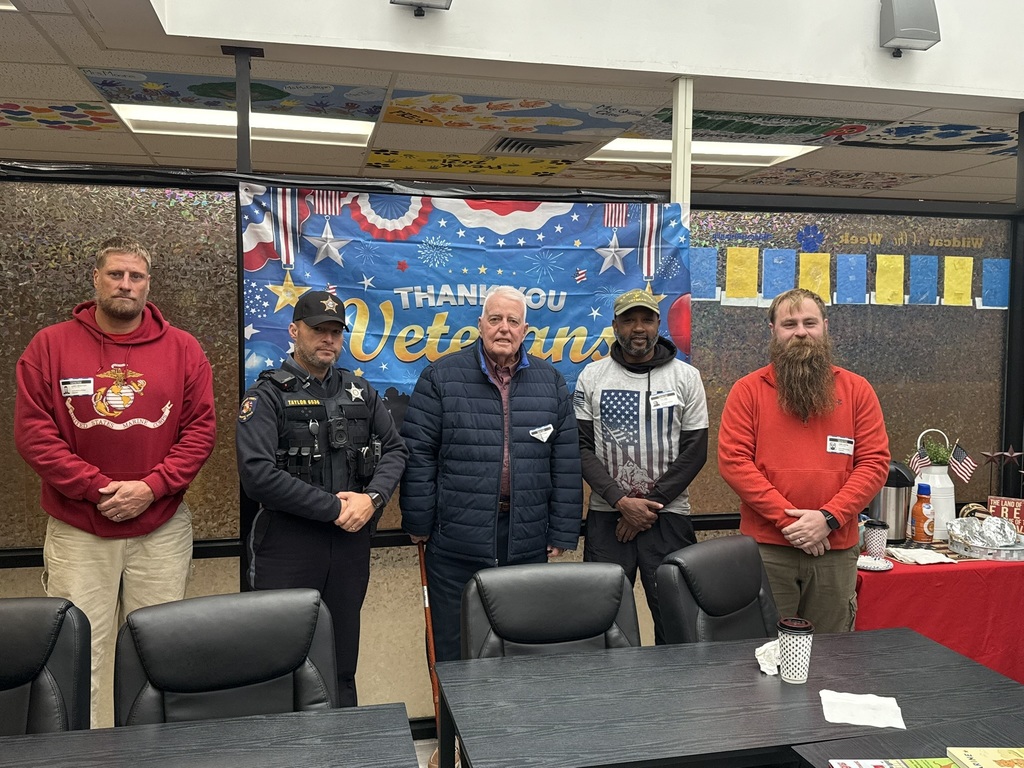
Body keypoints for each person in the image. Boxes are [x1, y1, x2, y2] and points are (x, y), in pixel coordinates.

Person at [15, 236, 217, 727]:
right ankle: (87, 754)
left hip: (161, 529)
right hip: (80, 528)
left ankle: (152, 750)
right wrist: (97, 488)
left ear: (149, 285)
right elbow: (34, 434)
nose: (125, 285)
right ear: (96, 279)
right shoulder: (50, 345)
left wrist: (151, 487)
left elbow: (201, 430)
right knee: (79, 651)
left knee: (158, 649)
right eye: (115, 274)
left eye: (136, 276)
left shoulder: (184, 349)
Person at [236, 290, 407, 706]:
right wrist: (335, 509)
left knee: (341, 661)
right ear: (294, 331)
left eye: (335, 332)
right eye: (318, 330)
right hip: (287, 544)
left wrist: (374, 500)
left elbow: (397, 450)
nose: (327, 340)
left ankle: (342, 750)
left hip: (349, 546)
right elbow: (257, 476)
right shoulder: (267, 396)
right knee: (279, 661)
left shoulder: (361, 391)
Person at [400, 285, 583, 662]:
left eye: (513, 321)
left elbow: (565, 462)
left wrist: (563, 530)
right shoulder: (440, 378)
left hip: (526, 538)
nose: (504, 328)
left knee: (523, 644)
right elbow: (419, 454)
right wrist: (418, 522)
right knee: (455, 645)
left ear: (525, 329)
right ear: (480, 324)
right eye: (495, 319)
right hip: (455, 540)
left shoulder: (551, 382)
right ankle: (456, 721)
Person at [718, 288, 889, 633]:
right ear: (773, 331)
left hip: (836, 551)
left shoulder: (858, 391)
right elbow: (734, 462)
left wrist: (828, 518)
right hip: (767, 551)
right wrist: (792, 523)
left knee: (831, 655)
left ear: (825, 327)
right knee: (763, 652)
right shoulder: (747, 391)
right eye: (789, 323)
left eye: (809, 322)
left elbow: (874, 464)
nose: (800, 331)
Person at [573, 288, 708, 644]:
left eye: (646, 319)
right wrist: (622, 502)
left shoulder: (686, 378)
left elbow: (695, 452)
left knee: (678, 622)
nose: (638, 328)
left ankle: (674, 696)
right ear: (614, 325)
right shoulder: (591, 376)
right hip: (608, 518)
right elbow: (582, 449)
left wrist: (647, 508)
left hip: (669, 516)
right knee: (601, 624)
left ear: (658, 325)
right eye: (629, 319)